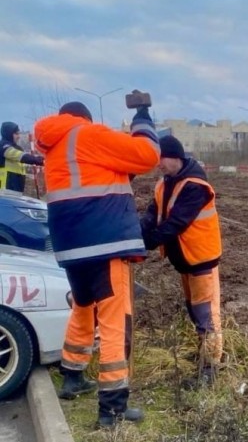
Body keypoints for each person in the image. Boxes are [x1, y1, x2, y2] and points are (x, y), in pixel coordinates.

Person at [34, 101, 159, 428]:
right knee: (115, 321)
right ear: (85, 119)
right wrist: (143, 116)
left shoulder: (54, 147)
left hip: (72, 248)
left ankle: (73, 375)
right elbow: (146, 155)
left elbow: (94, 180)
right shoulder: (88, 134)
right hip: (106, 245)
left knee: (83, 307)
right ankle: (112, 409)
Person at [140, 135, 223, 386]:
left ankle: (211, 369)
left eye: (160, 159)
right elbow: (152, 214)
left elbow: (176, 224)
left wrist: (146, 245)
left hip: (201, 259)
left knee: (206, 314)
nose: (158, 165)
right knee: (194, 310)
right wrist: (137, 234)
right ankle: (204, 353)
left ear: (174, 156)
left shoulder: (194, 186)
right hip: (185, 260)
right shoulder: (164, 183)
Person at [1, 121, 44, 193]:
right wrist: (40, 160)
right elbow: (21, 156)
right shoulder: (3, 146)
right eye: (16, 134)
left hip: (16, 185)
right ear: (8, 134)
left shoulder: (17, 147)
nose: (19, 136)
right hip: (6, 187)